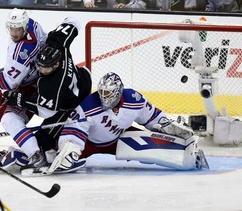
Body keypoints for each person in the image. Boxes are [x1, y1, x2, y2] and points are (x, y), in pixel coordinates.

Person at [48, 72, 209, 174]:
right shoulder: (89, 105)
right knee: (58, 159)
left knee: (153, 142)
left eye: (108, 92)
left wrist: (166, 124)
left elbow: (152, 116)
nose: (104, 96)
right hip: (90, 143)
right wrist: (70, 147)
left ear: (118, 91)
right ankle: (40, 155)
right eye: (102, 92)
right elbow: (74, 128)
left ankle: (187, 154)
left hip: (119, 138)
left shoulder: (134, 100)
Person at [1, 16, 92, 175]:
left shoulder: (52, 85)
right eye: (40, 66)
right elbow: (74, 21)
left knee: (43, 143)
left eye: (46, 69)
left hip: (70, 103)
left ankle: (55, 152)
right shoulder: (57, 43)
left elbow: (46, 111)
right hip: (84, 78)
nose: (42, 71)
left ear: (56, 64)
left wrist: (21, 100)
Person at [0, 7, 47, 134]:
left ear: (24, 27)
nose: (14, 33)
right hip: (30, 77)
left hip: (30, 86)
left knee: (8, 115)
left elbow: (8, 83)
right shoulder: (32, 24)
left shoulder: (23, 51)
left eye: (18, 29)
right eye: (11, 28)